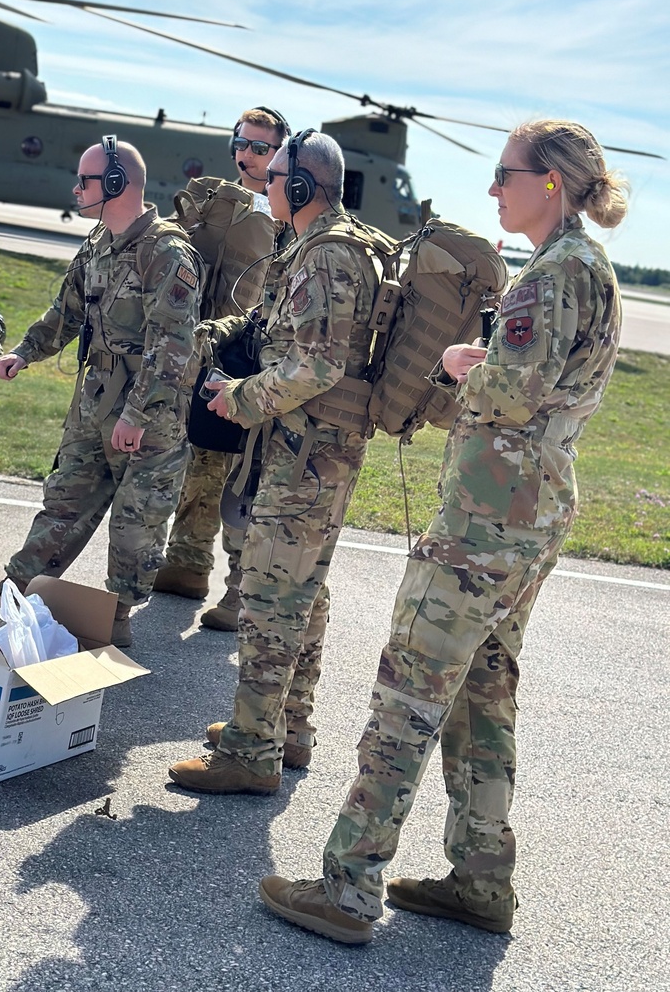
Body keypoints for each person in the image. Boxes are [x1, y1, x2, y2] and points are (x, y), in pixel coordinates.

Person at [260, 119, 626, 946]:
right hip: (532, 511)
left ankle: (348, 887)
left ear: (552, 183)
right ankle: (480, 878)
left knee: (408, 693)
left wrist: (466, 365)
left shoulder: (552, 275)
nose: (494, 188)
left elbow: (513, 393)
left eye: (506, 173)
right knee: (483, 691)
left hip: (485, 522)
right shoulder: (587, 270)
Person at [168, 129, 382, 792]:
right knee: (304, 592)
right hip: (315, 452)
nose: (263, 186)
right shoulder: (316, 247)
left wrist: (237, 397)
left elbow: (315, 365)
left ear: (299, 185)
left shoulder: (327, 257)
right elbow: (270, 325)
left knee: (269, 596)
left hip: (303, 455)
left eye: (275, 177)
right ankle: (288, 726)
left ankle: (249, 750)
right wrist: (217, 335)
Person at [0, 136, 201, 648]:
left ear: (114, 184)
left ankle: (119, 617)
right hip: (94, 401)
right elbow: (66, 311)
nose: (76, 188)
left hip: (149, 415)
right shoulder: (96, 245)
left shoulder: (167, 252)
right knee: (64, 501)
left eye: (85, 180)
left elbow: (173, 344)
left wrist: (136, 414)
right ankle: (16, 594)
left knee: (137, 522)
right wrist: (26, 351)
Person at [153, 106, 289, 630]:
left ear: (280, 152)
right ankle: (187, 561)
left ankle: (241, 589)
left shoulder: (286, 211)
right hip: (205, 345)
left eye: (261, 147)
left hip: (256, 357)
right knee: (199, 455)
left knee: (246, 472)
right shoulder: (213, 199)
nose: (249, 154)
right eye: (243, 143)